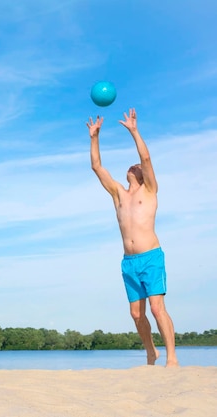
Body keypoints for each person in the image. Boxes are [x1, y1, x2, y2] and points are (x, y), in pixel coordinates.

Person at [88, 108, 178, 367]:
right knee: (136, 314)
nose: (135, 165)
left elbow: (146, 158)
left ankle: (171, 357)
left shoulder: (150, 191)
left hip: (150, 257)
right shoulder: (118, 194)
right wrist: (95, 137)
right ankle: (151, 352)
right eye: (133, 165)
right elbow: (96, 166)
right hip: (129, 262)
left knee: (157, 308)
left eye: (137, 167)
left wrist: (134, 131)